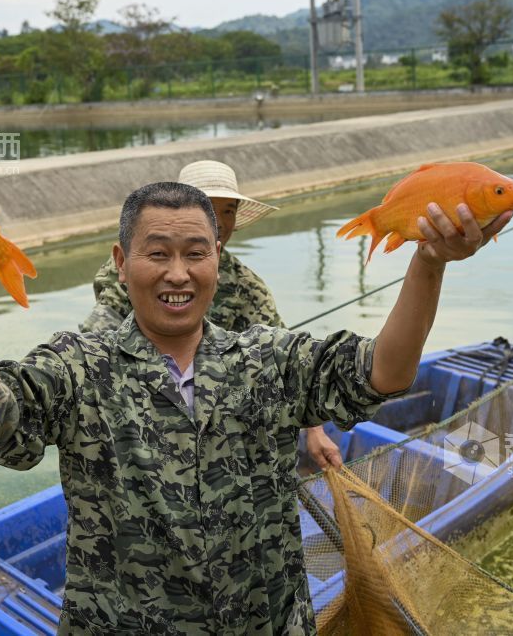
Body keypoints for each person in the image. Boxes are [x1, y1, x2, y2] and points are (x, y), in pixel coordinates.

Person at [0, 182, 511, 634]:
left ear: (220, 261)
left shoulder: (269, 360)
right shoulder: (77, 365)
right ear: (120, 264)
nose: (178, 273)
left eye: (196, 252)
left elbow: (384, 371)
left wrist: (428, 264)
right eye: (156, 253)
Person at [80, 160, 343, 470]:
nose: (220, 221)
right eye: (209, 208)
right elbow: (99, 330)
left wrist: (314, 430)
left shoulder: (247, 287)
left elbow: (287, 361)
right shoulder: (134, 268)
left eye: (228, 210)